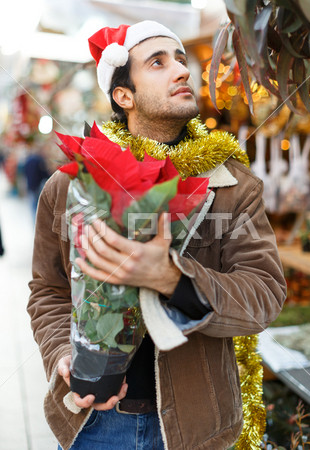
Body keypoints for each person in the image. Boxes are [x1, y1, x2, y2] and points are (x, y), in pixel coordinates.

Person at [28, 20, 286, 450]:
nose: (183, 71)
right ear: (123, 95)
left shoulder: (234, 185)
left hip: (196, 428)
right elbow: (48, 290)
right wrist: (61, 353)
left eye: (182, 60)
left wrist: (172, 278)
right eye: (158, 62)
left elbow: (264, 295)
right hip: (92, 424)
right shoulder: (70, 185)